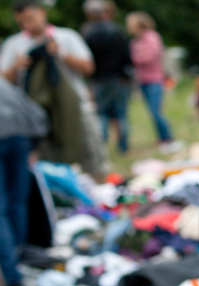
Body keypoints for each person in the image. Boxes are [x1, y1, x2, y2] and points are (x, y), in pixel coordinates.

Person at [1, 0, 107, 179]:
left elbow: (89, 68)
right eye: (21, 21)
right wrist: (17, 67)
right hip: (36, 115)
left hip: (75, 108)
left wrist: (61, 54)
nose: (27, 24)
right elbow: (4, 80)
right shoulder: (15, 44)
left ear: (42, 12)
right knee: (48, 162)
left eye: (29, 18)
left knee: (88, 157)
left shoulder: (66, 36)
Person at [0, 77, 47, 286]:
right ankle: (20, 255)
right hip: (19, 138)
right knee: (16, 201)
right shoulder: (5, 85)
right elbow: (36, 112)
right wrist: (34, 143)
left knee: (3, 208)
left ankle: (13, 278)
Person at [125, 12, 182, 154]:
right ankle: (162, 139)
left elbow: (148, 57)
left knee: (156, 112)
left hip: (155, 80)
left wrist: (136, 58)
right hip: (143, 81)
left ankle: (169, 139)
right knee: (152, 112)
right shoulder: (135, 41)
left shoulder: (152, 37)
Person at [82, 0, 132, 154]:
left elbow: (87, 59)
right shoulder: (117, 30)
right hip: (119, 78)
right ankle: (123, 147)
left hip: (99, 79)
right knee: (121, 113)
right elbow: (127, 55)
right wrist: (126, 74)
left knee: (101, 114)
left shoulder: (87, 33)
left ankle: (102, 146)